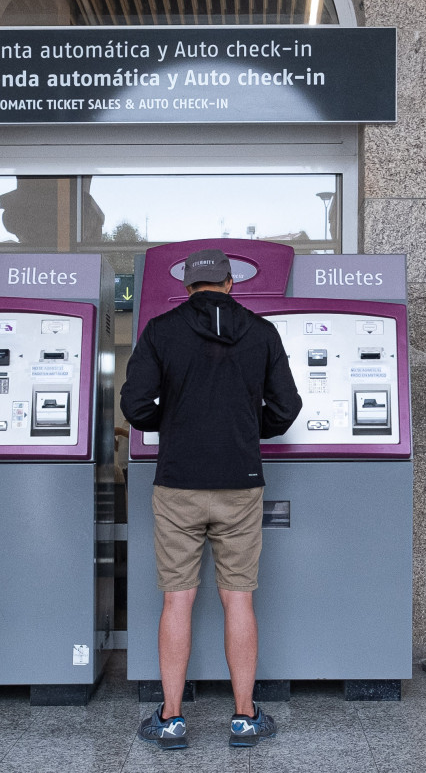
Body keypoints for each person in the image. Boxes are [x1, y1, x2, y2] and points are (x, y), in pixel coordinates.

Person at [120, 248, 302, 749]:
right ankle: (244, 717)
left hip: (178, 482)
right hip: (240, 482)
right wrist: (246, 429)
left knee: (177, 598)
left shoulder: (161, 330)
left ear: (187, 287)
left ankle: (171, 718)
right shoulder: (262, 332)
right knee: (237, 597)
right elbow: (287, 407)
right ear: (229, 284)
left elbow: (135, 405)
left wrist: (175, 423)